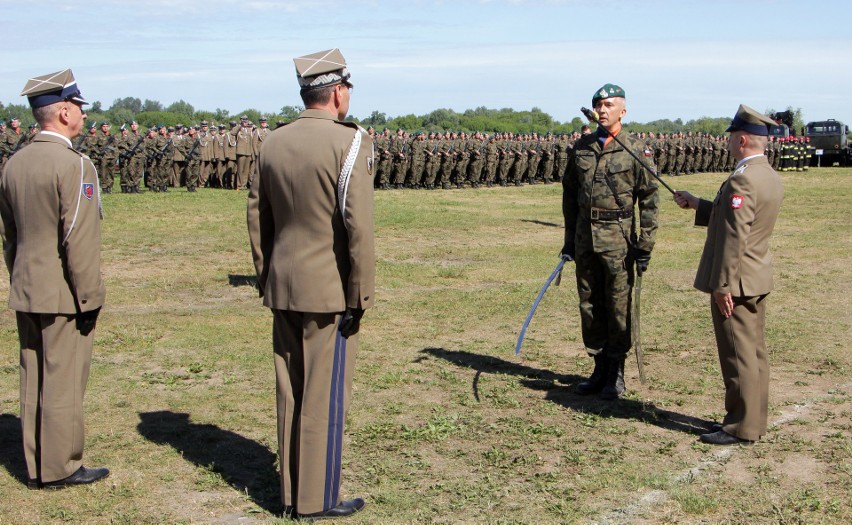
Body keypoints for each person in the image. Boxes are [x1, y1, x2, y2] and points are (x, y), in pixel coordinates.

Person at [246, 48, 375, 520]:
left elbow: (258, 218)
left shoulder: (272, 142)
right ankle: (316, 499)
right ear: (338, 92)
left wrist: (267, 275)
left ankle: (290, 490)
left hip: (284, 284)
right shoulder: (351, 142)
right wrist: (359, 294)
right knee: (324, 394)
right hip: (328, 291)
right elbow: (357, 226)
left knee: (291, 391)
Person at [0, 69, 108, 489]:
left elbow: (10, 236)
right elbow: (77, 240)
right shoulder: (74, 164)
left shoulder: (14, 163)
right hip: (63, 293)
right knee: (63, 379)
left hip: (26, 287)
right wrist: (90, 297)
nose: (82, 115)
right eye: (79, 108)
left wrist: (19, 278)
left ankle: (36, 463)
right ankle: (59, 467)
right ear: (63, 112)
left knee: (33, 377)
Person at [674, 104, 783, 445]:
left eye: (732, 138)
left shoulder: (742, 179)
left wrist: (723, 286)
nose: (728, 144)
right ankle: (755, 420)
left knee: (738, 355)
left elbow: (735, 238)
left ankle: (740, 427)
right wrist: (698, 204)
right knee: (754, 354)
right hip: (755, 276)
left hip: (736, 281)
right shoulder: (766, 174)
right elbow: (738, 220)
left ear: (743, 140)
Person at [561, 83, 659, 400]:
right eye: (599, 105)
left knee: (618, 307)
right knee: (590, 306)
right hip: (585, 238)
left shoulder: (635, 149)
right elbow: (570, 197)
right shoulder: (582, 147)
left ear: (623, 110)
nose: (603, 110)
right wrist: (569, 241)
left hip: (618, 239)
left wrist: (645, 244)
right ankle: (598, 368)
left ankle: (616, 374)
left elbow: (649, 200)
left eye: (609, 105)